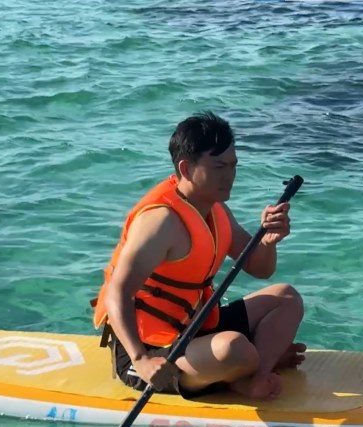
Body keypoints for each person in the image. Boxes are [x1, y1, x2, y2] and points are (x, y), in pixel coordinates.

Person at [90, 111, 307, 401]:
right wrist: (141, 359)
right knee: (234, 348)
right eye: (219, 166)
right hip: (149, 349)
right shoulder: (160, 222)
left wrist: (268, 241)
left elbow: (260, 269)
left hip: (194, 328)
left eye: (233, 165)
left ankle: (256, 374)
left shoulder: (215, 209)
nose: (229, 175)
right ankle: (240, 374)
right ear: (187, 168)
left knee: (287, 298)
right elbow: (117, 292)